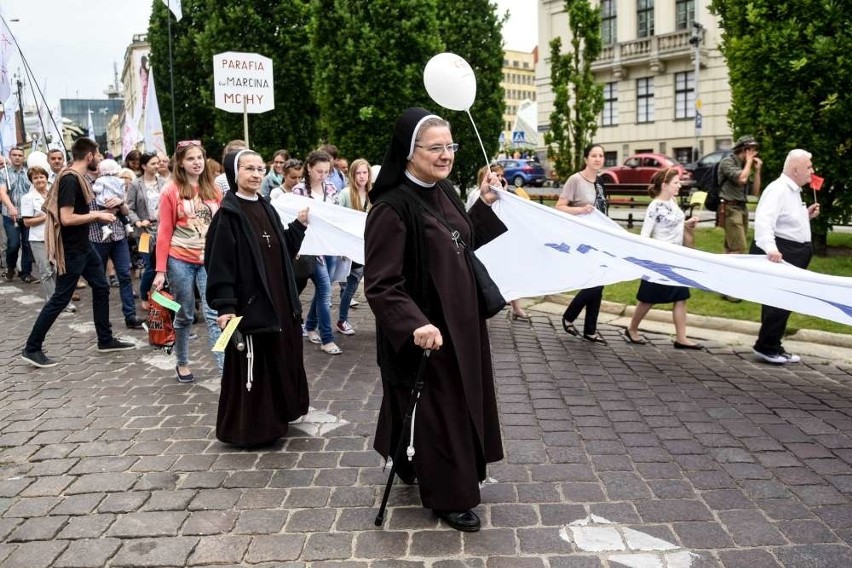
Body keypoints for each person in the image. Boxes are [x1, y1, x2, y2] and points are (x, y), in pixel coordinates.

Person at [365, 107, 506, 532]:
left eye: (451, 146)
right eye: (436, 147)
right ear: (410, 153)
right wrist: (414, 324)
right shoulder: (392, 209)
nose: (446, 155)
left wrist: (481, 205)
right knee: (440, 410)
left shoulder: (441, 192)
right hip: (428, 334)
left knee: (436, 406)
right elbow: (382, 284)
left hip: (463, 327)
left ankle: (407, 459)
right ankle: (450, 496)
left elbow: (461, 240)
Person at [205, 149, 310, 446]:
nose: (255, 174)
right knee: (254, 364)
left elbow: (281, 251)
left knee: (278, 359)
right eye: (248, 168)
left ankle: (280, 414)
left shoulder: (266, 207)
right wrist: (225, 306)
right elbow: (219, 265)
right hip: (250, 305)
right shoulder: (228, 215)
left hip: (278, 301)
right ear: (234, 174)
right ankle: (252, 430)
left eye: (259, 168)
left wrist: (299, 226)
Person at [21, 138, 135, 368]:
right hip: (73, 249)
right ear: (90, 156)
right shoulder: (71, 180)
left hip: (84, 246)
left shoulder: (77, 177)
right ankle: (32, 347)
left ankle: (105, 339)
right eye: (99, 155)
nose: (101, 159)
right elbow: (66, 218)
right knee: (60, 298)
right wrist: (97, 215)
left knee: (102, 287)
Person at [152, 140, 224, 382]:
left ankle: (225, 370)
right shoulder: (171, 191)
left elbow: (221, 228)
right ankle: (182, 362)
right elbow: (164, 231)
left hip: (209, 260)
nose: (197, 163)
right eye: (191, 158)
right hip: (179, 259)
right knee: (184, 315)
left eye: (200, 158)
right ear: (180, 163)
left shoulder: (214, 190)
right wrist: (160, 270)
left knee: (215, 314)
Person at [751, 149, 820, 364]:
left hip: (793, 251)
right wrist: (770, 248)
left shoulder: (792, 191)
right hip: (783, 251)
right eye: (808, 167)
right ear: (795, 169)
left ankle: (773, 344)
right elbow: (764, 221)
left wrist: (805, 215)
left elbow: (786, 220)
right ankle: (766, 346)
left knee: (785, 300)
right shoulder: (778, 189)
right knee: (778, 300)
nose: (812, 171)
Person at [624, 168, 701, 349]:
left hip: (676, 258)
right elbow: (645, 234)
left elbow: (674, 223)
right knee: (648, 299)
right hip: (659, 261)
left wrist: (687, 223)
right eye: (676, 183)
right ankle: (632, 328)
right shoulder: (655, 206)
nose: (679, 185)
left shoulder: (673, 201)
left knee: (681, 297)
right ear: (664, 185)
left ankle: (681, 338)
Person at [555, 143, 609, 343]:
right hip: (582, 239)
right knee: (595, 283)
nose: (598, 159)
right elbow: (559, 207)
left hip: (600, 237)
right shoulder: (575, 180)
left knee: (599, 282)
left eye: (601, 156)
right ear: (586, 159)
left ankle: (590, 330)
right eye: (594, 155)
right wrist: (579, 210)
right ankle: (569, 316)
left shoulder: (601, 182)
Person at [292, 150, 343, 355]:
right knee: (325, 291)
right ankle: (327, 338)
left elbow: (336, 214)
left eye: (326, 171)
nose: (323, 175)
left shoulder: (330, 188)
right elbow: (294, 219)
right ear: (309, 169)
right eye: (319, 171)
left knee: (324, 289)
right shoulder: (298, 190)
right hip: (309, 248)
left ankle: (310, 325)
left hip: (328, 245)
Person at [468, 163, 530, 320]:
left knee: (510, 269)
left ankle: (515, 305)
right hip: (485, 240)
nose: (500, 178)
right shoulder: (476, 194)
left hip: (501, 237)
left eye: (501, 175)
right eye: (496, 174)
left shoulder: (501, 192)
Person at [89, 160, 145, 330]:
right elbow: (86, 213)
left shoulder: (118, 184)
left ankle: (130, 316)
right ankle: (102, 320)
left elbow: (127, 210)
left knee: (125, 276)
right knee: (99, 282)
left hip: (119, 236)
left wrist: (120, 204)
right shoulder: (92, 186)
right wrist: (104, 210)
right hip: (98, 237)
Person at [20, 166, 76, 313]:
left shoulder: (54, 195)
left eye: (41, 177)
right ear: (32, 181)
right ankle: (54, 302)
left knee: (60, 269)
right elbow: (27, 222)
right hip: (39, 239)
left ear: (46, 178)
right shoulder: (28, 198)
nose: (39, 180)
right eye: (36, 178)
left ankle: (63, 300)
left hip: (57, 237)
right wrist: (47, 216)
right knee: (46, 271)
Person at [717, 135, 762, 302]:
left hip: (741, 208)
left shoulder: (745, 166)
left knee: (730, 249)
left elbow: (755, 192)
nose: (755, 153)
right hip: (729, 208)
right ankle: (730, 290)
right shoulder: (728, 162)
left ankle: (722, 286)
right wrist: (749, 163)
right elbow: (742, 179)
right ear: (744, 149)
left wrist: (757, 171)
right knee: (738, 249)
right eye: (752, 150)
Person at [335, 158, 371, 335]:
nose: (362, 176)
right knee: (351, 287)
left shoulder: (374, 194)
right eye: (359, 173)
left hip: (370, 246)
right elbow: (337, 217)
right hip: (352, 247)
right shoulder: (345, 194)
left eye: (365, 172)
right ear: (353, 174)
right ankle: (342, 320)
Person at [127, 152, 166, 310]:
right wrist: (137, 221)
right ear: (144, 166)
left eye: (158, 163)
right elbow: (129, 208)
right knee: (150, 265)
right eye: (153, 163)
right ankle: (144, 294)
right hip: (144, 232)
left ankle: (162, 297)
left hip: (163, 229)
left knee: (163, 265)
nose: (157, 166)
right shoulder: (136, 184)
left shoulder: (164, 182)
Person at [0, 146, 35, 283]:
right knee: (13, 244)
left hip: (27, 215)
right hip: (10, 214)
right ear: (10, 156)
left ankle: (25, 273)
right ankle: (10, 267)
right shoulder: (4, 173)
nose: (17, 157)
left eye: (20, 155)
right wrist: (10, 207)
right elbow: (2, 192)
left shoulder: (29, 173)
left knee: (27, 244)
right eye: (14, 155)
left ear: (23, 157)